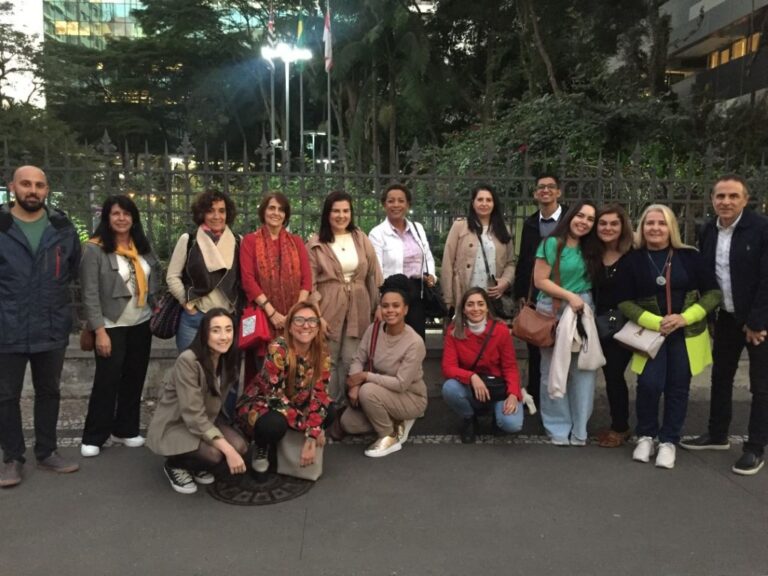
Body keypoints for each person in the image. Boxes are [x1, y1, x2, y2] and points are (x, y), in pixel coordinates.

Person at [616, 204, 721, 469]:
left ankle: (669, 440)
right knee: (648, 385)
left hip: (686, 334)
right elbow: (624, 301)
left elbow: (713, 294)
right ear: (642, 227)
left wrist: (685, 317)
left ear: (671, 227)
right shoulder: (632, 260)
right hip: (650, 334)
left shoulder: (690, 256)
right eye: (650, 223)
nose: (655, 228)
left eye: (661, 223)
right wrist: (656, 322)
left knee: (678, 387)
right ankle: (646, 435)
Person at [0, 165, 82, 488]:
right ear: (12, 187)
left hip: (51, 325)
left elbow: (72, 269)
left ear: (47, 190)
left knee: (49, 391)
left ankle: (47, 452)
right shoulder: (2, 225)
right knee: (6, 395)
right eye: (25, 184)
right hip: (7, 326)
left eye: (39, 185)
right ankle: (12, 458)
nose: (32, 190)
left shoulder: (62, 227)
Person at [681, 176, 768, 475]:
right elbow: (709, 277)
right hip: (727, 318)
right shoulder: (708, 230)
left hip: (758, 321)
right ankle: (717, 434)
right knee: (720, 377)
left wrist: (757, 321)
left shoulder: (761, 229)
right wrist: (710, 316)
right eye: (720, 196)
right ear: (712, 199)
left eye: (733, 196)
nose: (726, 202)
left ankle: (755, 448)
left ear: (745, 200)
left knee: (761, 385)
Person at [79, 195, 161, 457]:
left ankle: (125, 429)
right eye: (116, 213)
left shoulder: (142, 247)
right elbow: (89, 293)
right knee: (107, 381)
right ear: (107, 217)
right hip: (110, 325)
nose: (122, 218)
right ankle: (94, 435)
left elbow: (154, 277)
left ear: (133, 218)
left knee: (134, 378)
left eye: (126, 213)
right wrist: (99, 331)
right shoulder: (94, 249)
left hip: (141, 322)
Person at [147, 309, 247, 495]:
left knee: (240, 446)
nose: (224, 336)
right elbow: (193, 415)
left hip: (205, 420)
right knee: (215, 454)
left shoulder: (227, 357)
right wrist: (228, 450)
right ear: (204, 333)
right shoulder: (188, 361)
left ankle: (195, 464)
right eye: (216, 330)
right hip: (177, 423)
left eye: (228, 329)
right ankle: (175, 465)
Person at [533, 200, 603, 446]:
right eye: (580, 216)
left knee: (584, 369)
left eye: (590, 219)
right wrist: (570, 296)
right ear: (570, 216)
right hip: (554, 309)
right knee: (553, 369)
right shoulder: (552, 243)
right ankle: (557, 427)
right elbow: (540, 280)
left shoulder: (593, 247)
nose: (584, 222)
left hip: (583, 311)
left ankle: (580, 428)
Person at [235, 301, 333, 473]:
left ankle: (289, 443)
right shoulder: (278, 349)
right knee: (273, 424)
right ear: (290, 327)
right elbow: (275, 398)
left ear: (318, 327)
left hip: (296, 402)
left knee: (329, 410)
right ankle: (261, 445)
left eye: (312, 321)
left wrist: (313, 434)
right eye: (299, 320)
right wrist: (310, 427)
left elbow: (320, 394)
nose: (306, 326)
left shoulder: (322, 352)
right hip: (263, 403)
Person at [307, 191, 382, 405]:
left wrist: (379, 304)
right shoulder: (315, 243)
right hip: (328, 307)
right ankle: (326, 408)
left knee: (352, 359)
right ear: (327, 214)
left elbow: (374, 274)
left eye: (346, 211)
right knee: (327, 360)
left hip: (359, 307)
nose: (341, 216)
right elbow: (310, 283)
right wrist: (317, 316)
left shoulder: (360, 238)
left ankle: (348, 410)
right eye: (336, 211)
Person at [340, 275, 427, 457]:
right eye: (385, 306)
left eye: (396, 306)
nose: (390, 310)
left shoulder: (414, 342)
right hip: (381, 392)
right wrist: (354, 385)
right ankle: (396, 419)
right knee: (348, 423)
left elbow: (401, 384)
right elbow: (358, 359)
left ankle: (388, 436)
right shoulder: (373, 330)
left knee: (367, 391)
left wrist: (365, 377)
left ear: (405, 309)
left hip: (410, 396)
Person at [240, 192, 312, 387]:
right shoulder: (250, 241)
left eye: (281, 209)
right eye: (271, 208)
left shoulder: (296, 242)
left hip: (292, 321)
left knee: (293, 375)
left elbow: (307, 281)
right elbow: (248, 280)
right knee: (264, 376)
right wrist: (272, 313)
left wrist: (294, 314)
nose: (276, 213)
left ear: (286, 214)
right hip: (264, 319)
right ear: (263, 211)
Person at [442, 288, 523, 443]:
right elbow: (448, 367)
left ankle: (496, 415)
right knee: (450, 388)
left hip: (498, 388)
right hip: (470, 387)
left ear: (487, 308)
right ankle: (469, 418)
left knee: (512, 424)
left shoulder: (501, 331)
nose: (476, 308)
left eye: (480, 304)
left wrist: (513, 394)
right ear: (463, 309)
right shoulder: (454, 331)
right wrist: (471, 376)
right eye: (470, 304)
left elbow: (510, 367)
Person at [514, 174, 566, 411]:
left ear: (558, 192)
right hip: (537, 294)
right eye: (541, 187)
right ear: (535, 194)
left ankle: (561, 400)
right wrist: (521, 294)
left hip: (566, 291)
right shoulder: (530, 224)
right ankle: (535, 395)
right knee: (536, 347)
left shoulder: (569, 220)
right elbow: (525, 259)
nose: (546, 190)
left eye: (550, 187)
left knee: (563, 348)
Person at [166, 189, 241, 352]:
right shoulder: (189, 240)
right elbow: (172, 277)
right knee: (190, 366)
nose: (217, 216)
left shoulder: (238, 241)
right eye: (210, 211)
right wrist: (188, 306)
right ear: (202, 213)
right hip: (195, 319)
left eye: (222, 211)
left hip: (227, 320)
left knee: (224, 368)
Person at [368, 183, 437, 338]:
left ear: (408, 204)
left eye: (401, 201)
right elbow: (376, 270)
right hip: (392, 294)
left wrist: (431, 275)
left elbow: (427, 256)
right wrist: (380, 302)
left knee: (416, 339)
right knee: (393, 339)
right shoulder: (377, 234)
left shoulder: (417, 228)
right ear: (384, 205)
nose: (396, 205)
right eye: (391, 201)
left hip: (417, 293)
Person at [593, 205, 634, 448]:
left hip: (628, 324)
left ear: (622, 227)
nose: (608, 228)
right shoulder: (592, 254)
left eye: (613, 223)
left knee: (616, 374)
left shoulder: (634, 255)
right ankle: (619, 424)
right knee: (611, 375)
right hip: (600, 324)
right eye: (603, 223)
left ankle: (621, 427)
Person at [441, 184, 515, 317]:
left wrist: (505, 281)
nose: (484, 204)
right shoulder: (460, 226)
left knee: (490, 329)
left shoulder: (504, 229)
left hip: (491, 297)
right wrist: (448, 298)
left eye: (488, 200)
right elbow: (447, 262)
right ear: (473, 203)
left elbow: (511, 263)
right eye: (480, 199)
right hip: (464, 293)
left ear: (494, 204)